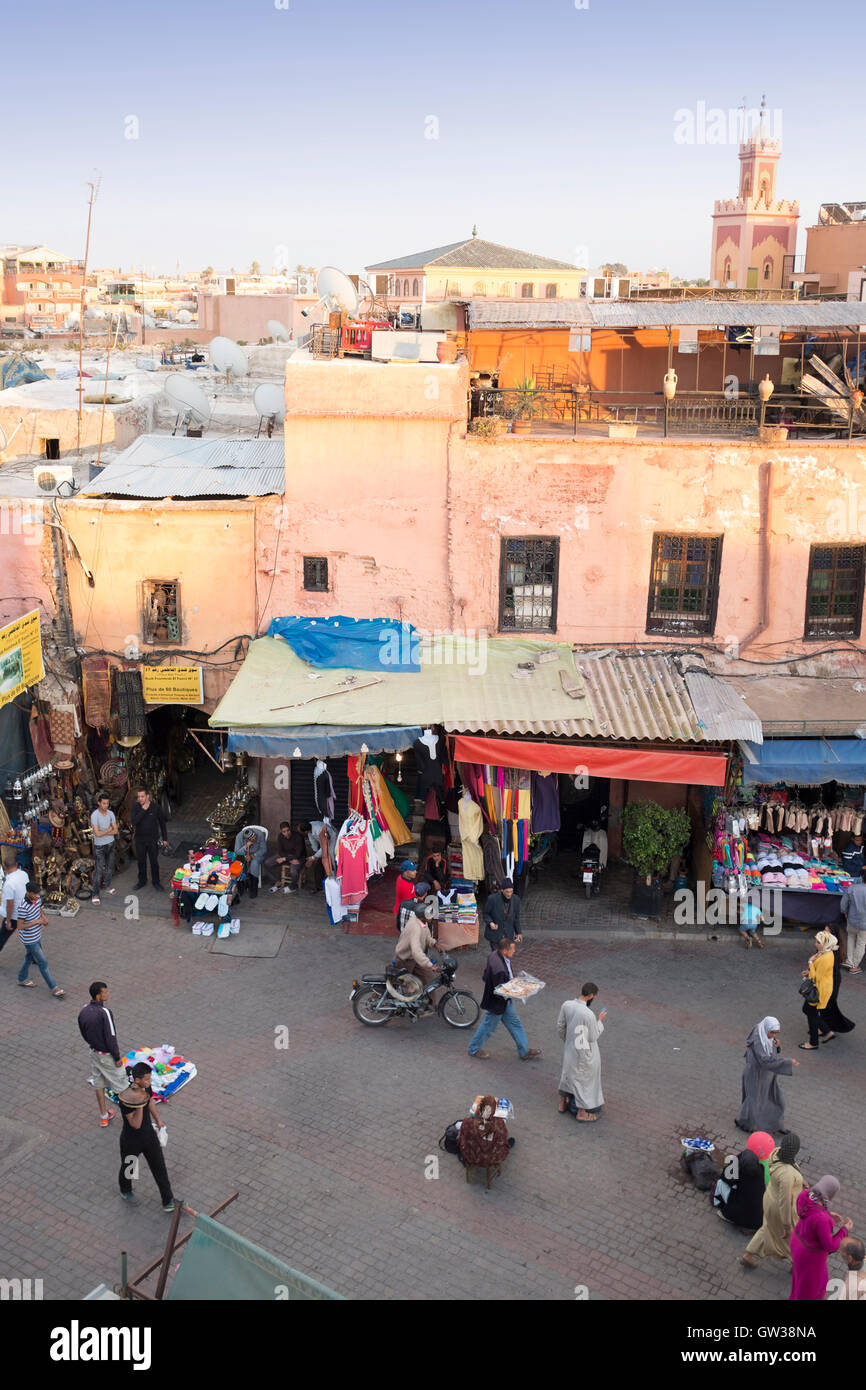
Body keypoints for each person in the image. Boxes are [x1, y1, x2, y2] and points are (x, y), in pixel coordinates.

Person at [467, 939, 542, 1061]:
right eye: (512, 949)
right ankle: (473, 1049)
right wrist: (521, 990)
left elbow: (486, 975)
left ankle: (524, 1051)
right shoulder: (500, 970)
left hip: (503, 1003)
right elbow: (502, 992)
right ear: (505, 950)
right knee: (488, 1027)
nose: (514, 951)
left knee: (515, 1024)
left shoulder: (494, 955)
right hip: (498, 1004)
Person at [741, 1132, 808, 1268]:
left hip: (769, 1198)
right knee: (789, 1238)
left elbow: (791, 1167)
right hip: (778, 1207)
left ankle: (748, 1254)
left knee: (768, 1228)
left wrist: (801, 1180)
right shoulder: (787, 1174)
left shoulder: (776, 1153)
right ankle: (797, 1263)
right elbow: (785, 1201)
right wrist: (786, 1225)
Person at [117, 1062, 175, 1211]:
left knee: (159, 1167)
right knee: (130, 1167)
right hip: (131, 1140)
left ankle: (168, 1200)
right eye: (147, 1080)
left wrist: (158, 1120)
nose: (149, 1083)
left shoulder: (145, 1088)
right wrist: (139, 1102)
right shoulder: (126, 1099)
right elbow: (135, 1124)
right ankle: (125, 1189)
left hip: (149, 1136)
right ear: (137, 1080)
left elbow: (150, 1102)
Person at [789, 1176, 852, 1301]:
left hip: (797, 1242)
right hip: (810, 1256)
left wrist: (828, 1214)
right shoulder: (822, 1219)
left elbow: (811, 1216)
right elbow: (829, 1246)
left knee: (800, 1281)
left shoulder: (805, 1195)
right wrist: (844, 1230)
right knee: (810, 1290)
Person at [735, 1015, 799, 1134]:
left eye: (776, 1033)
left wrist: (777, 1047)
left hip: (767, 1075)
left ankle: (772, 1124)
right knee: (755, 1100)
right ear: (766, 1029)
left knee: (773, 1099)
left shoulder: (762, 1033)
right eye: (772, 1033)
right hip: (756, 1075)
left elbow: (770, 1054)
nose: (774, 1036)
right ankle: (746, 1123)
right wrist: (788, 1062)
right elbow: (765, 1061)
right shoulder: (758, 1041)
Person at [78, 981, 129, 1127]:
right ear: (99, 995)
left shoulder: (84, 1010)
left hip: (94, 1053)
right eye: (105, 992)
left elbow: (83, 1031)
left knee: (99, 1084)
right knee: (122, 1086)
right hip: (107, 1056)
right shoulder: (105, 1013)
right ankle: (130, 1119)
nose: (108, 994)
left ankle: (104, 1116)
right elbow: (111, 1037)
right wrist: (117, 1057)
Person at [556, 982, 607, 1122]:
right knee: (583, 1080)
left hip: (570, 1048)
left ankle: (562, 1103)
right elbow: (592, 1036)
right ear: (591, 995)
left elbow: (560, 1026)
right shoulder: (588, 1014)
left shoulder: (566, 1005)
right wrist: (600, 1021)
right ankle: (582, 1112)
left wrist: (568, 1041)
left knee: (567, 1074)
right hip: (584, 1052)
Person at [15, 887, 64, 997]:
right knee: (43, 962)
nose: (38, 896)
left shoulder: (37, 900)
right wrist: (37, 921)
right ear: (28, 893)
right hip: (29, 940)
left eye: (38, 894)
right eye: (35, 894)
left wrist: (44, 918)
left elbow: (39, 909)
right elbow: (20, 926)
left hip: (36, 936)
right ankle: (54, 988)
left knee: (29, 957)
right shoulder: (23, 907)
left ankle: (21, 979)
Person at [394, 901, 440, 1005]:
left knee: (429, 979)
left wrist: (434, 943)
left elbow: (427, 936)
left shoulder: (422, 922)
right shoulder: (415, 928)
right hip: (405, 960)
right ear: (423, 917)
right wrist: (430, 965)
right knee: (399, 985)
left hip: (414, 960)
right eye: (429, 915)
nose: (431, 917)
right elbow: (417, 951)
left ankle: (432, 1005)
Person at [800, 929, 836, 1050]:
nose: (816, 944)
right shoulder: (825, 953)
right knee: (809, 1010)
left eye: (818, 942)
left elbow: (816, 977)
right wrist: (809, 971)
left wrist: (810, 962)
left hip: (819, 990)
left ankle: (813, 1042)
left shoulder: (825, 957)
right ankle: (826, 1031)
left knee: (810, 1013)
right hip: (822, 988)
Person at [712, 1149, 765, 1230]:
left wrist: (734, 1164)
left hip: (743, 1218)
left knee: (720, 1183)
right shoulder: (761, 1169)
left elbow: (724, 1177)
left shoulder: (740, 1172)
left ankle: (718, 1203)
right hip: (759, 1219)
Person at [817, 930, 855, 1041]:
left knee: (819, 1008)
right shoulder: (828, 951)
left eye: (827, 930)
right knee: (824, 1008)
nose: (824, 932)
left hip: (828, 985)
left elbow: (821, 974)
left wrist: (811, 963)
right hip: (828, 984)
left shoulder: (830, 954)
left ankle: (826, 1030)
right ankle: (824, 1029)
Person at [457, 1095, 511, 1172]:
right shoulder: (499, 1124)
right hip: (492, 1158)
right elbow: (503, 1140)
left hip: (470, 1154)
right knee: (504, 1143)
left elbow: (462, 1138)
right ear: (494, 1110)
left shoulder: (467, 1122)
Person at [131, 788, 168, 891]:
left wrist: (165, 838)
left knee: (154, 862)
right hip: (140, 840)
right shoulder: (136, 807)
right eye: (138, 797)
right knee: (141, 861)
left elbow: (162, 823)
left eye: (142, 796)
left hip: (152, 840)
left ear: (147, 796)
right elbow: (134, 821)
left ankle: (156, 882)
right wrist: (143, 810)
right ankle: (142, 881)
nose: (140, 799)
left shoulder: (156, 807)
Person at [89, 792, 118, 904]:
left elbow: (115, 831)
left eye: (107, 803)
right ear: (99, 803)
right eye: (104, 803)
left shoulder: (111, 814)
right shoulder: (94, 815)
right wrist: (109, 829)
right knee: (99, 870)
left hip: (111, 843)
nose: (106, 805)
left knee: (110, 867)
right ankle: (95, 894)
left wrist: (106, 831)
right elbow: (97, 834)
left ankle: (106, 886)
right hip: (100, 846)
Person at [264, 821, 306, 892]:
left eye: (288, 830)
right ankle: (277, 881)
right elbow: (280, 851)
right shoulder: (280, 836)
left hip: (299, 857)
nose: (287, 833)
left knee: (293, 870)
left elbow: (298, 854)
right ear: (281, 831)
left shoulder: (298, 836)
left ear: (290, 829)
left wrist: (285, 858)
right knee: (267, 863)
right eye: (284, 831)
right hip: (286, 856)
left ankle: (293, 886)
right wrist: (288, 859)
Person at [482, 879, 522, 950]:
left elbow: (516, 918)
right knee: (497, 956)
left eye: (511, 891)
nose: (509, 894)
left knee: (506, 956)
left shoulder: (516, 900)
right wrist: (490, 923)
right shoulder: (492, 899)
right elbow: (485, 914)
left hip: (508, 935)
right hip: (495, 935)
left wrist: (518, 932)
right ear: (502, 890)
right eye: (507, 891)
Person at [0, 855, 29, 954]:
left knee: (2, 937)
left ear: (4, 867)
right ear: (16, 864)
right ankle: (36, 956)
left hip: (14, 916)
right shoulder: (24, 874)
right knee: (30, 936)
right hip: (26, 911)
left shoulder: (9, 883)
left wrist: (7, 921)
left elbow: (10, 904)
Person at [841, 865, 866, 974]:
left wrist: (845, 913)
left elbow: (843, 905)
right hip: (864, 924)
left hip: (851, 920)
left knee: (851, 938)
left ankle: (849, 961)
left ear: (861, 877)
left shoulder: (852, 888)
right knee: (861, 943)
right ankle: (854, 966)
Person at [233, 826, 267, 899]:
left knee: (254, 863)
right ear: (247, 839)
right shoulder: (239, 837)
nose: (255, 839)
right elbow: (237, 852)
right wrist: (245, 847)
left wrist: (253, 856)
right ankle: (241, 886)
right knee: (239, 862)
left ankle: (253, 888)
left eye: (255, 837)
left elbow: (264, 849)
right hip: (244, 854)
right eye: (252, 839)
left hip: (257, 854)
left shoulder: (260, 834)